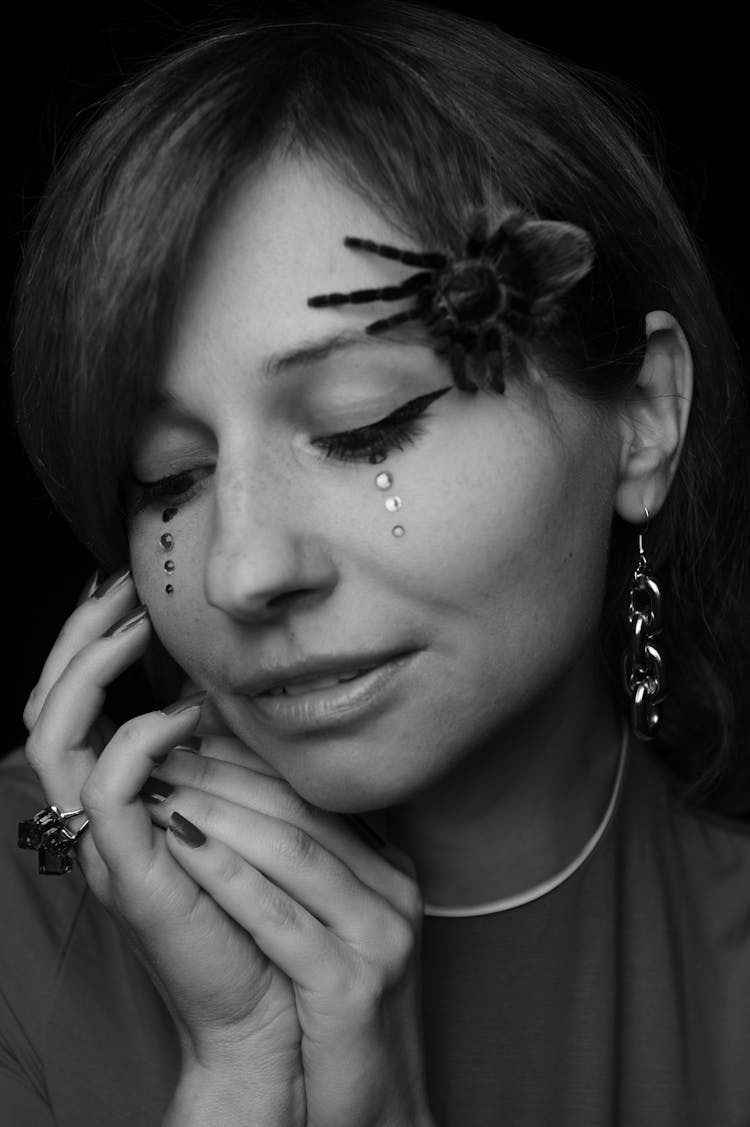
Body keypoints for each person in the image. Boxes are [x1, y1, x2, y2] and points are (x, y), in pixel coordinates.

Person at [2, 4, 749, 1125]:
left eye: (365, 427)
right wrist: (245, 1070)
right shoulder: (24, 900)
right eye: (167, 478)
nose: (242, 571)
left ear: (641, 418)